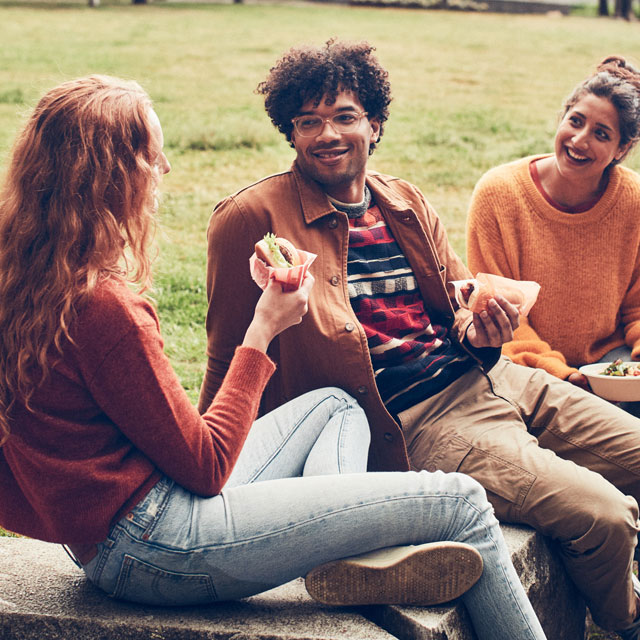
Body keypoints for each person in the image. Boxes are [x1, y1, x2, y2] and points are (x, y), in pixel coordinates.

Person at [0, 75, 547, 640]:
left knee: (336, 406)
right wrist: (263, 329)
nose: (164, 168)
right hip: (158, 547)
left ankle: (347, 555)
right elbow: (207, 466)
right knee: (464, 504)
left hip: (108, 535)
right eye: (151, 154)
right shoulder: (105, 306)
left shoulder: (24, 274)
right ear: (110, 175)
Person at [198, 40, 640, 639]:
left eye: (345, 116)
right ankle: (626, 622)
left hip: (497, 378)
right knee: (605, 516)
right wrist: (212, 467)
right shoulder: (252, 218)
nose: (327, 133)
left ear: (374, 124)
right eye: (308, 122)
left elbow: (460, 307)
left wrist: (485, 329)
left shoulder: (404, 201)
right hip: (418, 421)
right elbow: (227, 350)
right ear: (291, 132)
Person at [467, 55, 640, 420]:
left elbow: (637, 306)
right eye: (575, 121)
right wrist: (560, 373)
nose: (579, 140)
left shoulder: (634, 202)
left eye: (601, 134)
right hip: (524, 366)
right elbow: (497, 314)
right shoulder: (499, 193)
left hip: (611, 364)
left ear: (622, 150)